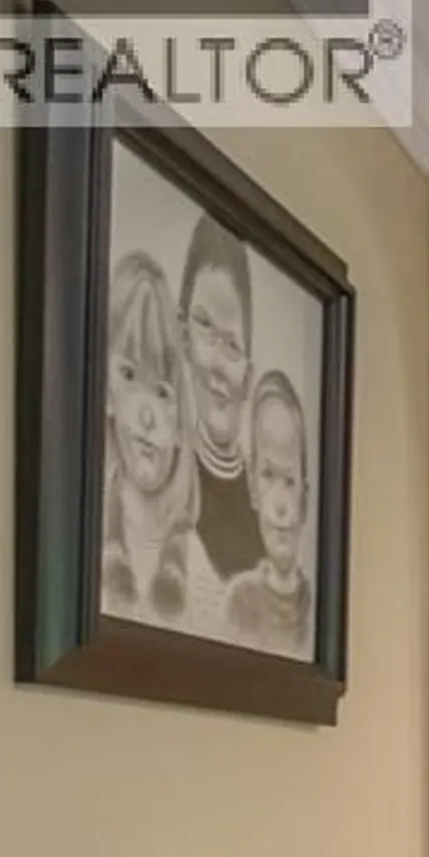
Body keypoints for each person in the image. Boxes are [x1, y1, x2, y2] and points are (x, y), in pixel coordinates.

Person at [98, 251, 203, 626]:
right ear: (106, 394)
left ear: (179, 425)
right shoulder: (82, 544)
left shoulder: (201, 574)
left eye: (161, 392)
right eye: (128, 375)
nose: (146, 416)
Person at [179, 214, 264, 589]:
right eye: (204, 327)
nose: (216, 362)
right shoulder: (165, 488)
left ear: (248, 375)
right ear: (182, 336)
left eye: (231, 344)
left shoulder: (268, 513)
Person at [219, 371, 315, 657]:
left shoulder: (314, 607)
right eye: (268, 475)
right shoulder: (239, 601)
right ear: (252, 488)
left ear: (305, 499)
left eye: (289, 481)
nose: (281, 505)